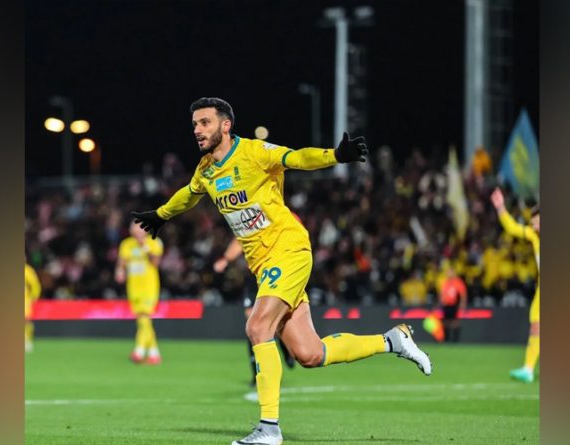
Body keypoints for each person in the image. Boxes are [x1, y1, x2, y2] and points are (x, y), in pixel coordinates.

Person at [132, 97, 432, 445]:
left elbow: (297, 157)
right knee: (309, 353)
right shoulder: (206, 169)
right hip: (263, 265)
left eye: (205, 123)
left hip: (287, 250)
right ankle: (392, 341)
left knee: (257, 326)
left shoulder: (255, 152)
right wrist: (161, 215)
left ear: (225, 125)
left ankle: (269, 429)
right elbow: (189, 193)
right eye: (195, 124)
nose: (197, 130)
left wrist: (336, 156)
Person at [214, 237, 296, 387]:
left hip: (273, 275)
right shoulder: (250, 229)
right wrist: (227, 259)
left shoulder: (275, 230)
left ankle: (285, 349)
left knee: (273, 321)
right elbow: (239, 239)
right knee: (253, 326)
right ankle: (256, 375)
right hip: (253, 279)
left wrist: (226, 259)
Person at [490, 187, 540, 383]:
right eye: (532, 222)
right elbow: (512, 228)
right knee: (536, 325)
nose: (533, 225)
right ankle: (528, 369)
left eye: (535, 222)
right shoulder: (534, 235)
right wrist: (501, 208)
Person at [115, 220, 164, 365]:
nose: (136, 230)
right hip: (133, 287)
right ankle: (154, 353)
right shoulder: (126, 244)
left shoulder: (155, 242)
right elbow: (122, 262)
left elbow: (155, 263)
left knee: (144, 317)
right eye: (134, 227)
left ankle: (139, 350)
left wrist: (144, 246)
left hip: (149, 287)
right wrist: (120, 271)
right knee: (143, 320)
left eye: (139, 227)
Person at [438, 265, 468, 342]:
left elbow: (463, 293)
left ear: (454, 273)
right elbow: (442, 294)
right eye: (448, 272)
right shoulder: (445, 282)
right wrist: (440, 302)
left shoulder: (458, 282)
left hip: (454, 304)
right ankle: (446, 338)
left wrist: (462, 303)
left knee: (455, 321)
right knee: (445, 321)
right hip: (446, 305)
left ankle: (455, 339)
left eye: (450, 272)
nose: (448, 274)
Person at [25, 261, 42, 353]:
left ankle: (27, 340)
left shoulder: (27, 270)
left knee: (26, 320)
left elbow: (35, 285)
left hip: (24, 299)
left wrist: (34, 296)